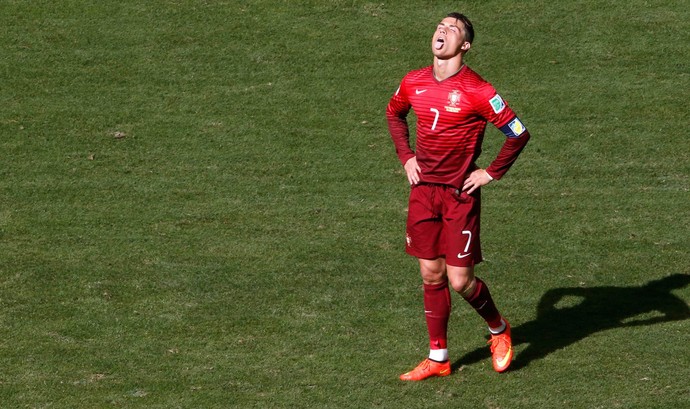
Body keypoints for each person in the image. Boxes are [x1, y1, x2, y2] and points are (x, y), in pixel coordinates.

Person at [386, 12, 531, 381]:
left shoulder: (479, 90)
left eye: (452, 29)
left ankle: (499, 330)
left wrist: (491, 172)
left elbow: (518, 132)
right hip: (423, 193)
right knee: (430, 274)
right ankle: (439, 358)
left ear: (464, 46)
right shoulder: (413, 81)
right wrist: (406, 157)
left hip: (458, 195)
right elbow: (394, 113)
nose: (442, 30)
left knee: (460, 281)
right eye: (440, 25)